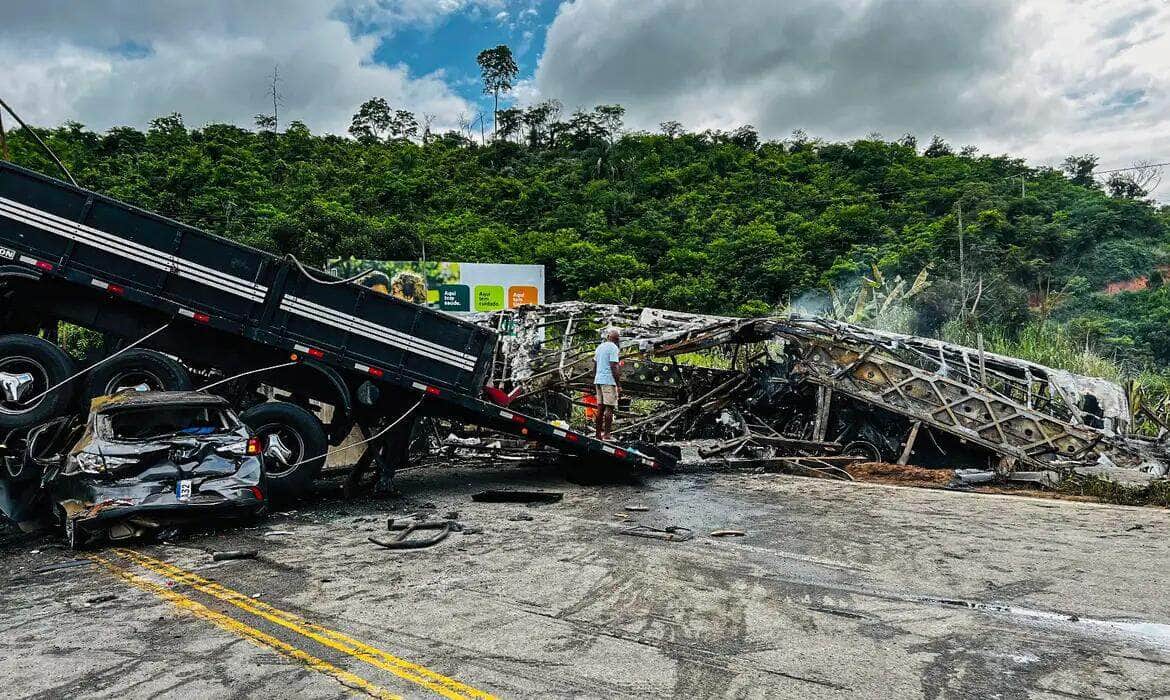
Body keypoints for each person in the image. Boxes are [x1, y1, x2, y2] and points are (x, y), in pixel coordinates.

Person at [593, 328, 621, 440]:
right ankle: (607, 434)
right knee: (609, 408)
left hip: (598, 380)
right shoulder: (613, 348)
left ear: (608, 336)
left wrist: (596, 377)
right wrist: (618, 384)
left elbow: (594, 366)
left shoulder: (600, 347)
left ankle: (597, 434)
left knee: (600, 408)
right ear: (617, 339)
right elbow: (614, 366)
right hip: (608, 381)